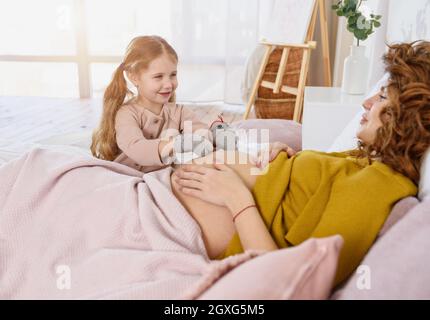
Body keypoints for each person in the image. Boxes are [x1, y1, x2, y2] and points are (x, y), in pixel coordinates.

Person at [170, 40, 430, 287]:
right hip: (163, 193)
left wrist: (236, 197)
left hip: (169, 223)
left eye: (383, 97)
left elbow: (283, 281)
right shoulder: (367, 159)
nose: (367, 102)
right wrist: (284, 159)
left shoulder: (378, 188)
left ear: (407, 117)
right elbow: (306, 192)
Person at [91, 35, 211, 173]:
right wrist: (176, 144)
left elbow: (203, 133)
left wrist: (200, 138)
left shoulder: (180, 112)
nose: (168, 84)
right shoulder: (126, 114)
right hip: (127, 176)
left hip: (164, 176)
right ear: (134, 77)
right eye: (158, 77)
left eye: (173, 75)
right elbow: (137, 148)